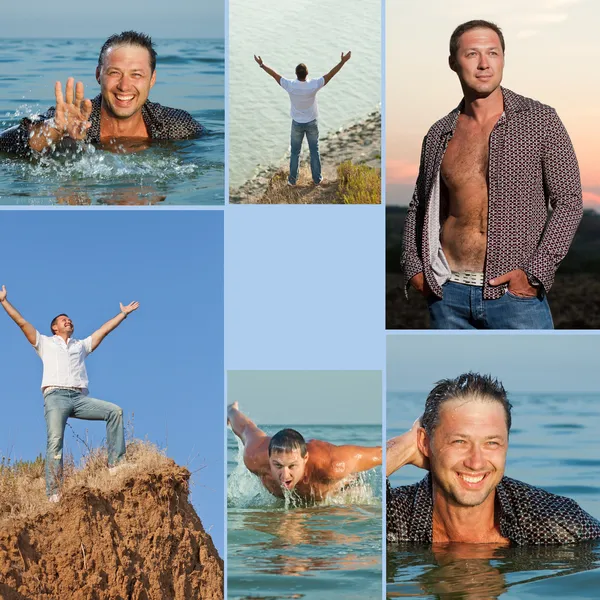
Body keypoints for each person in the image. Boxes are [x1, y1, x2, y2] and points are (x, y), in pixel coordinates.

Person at [401, 20, 583, 329]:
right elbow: (419, 205)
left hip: (515, 296)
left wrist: (536, 273)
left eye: (493, 53)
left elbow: (569, 201)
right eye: (472, 54)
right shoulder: (439, 133)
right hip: (447, 294)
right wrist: (414, 268)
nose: (484, 64)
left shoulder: (540, 121)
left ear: (503, 57)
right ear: (453, 62)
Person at [386, 373, 600, 545]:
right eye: (459, 442)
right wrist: (402, 449)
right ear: (425, 443)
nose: (476, 462)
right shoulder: (396, 515)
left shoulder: (557, 523)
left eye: (492, 443)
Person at [0, 285, 139, 501]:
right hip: (55, 398)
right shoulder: (44, 343)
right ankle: (54, 493)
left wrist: (122, 314)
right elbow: (21, 322)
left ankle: (116, 464)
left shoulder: (80, 346)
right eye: (64, 319)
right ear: (55, 327)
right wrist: (4, 302)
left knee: (115, 411)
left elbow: (103, 331)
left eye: (70, 319)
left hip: (79, 398)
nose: (69, 321)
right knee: (55, 440)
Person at [0, 31, 203, 156]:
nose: (124, 86)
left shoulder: (175, 124)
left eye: (136, 75)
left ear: (152, 79)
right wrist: (55, 130)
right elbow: (5, 144)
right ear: (99, 75)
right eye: (115, 73)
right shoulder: (73, 117)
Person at [227, 402, 381, 500]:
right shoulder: (254, 456)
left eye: (292, 466)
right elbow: (245, 427)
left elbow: (381, 454)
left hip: (338, 492)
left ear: (305, 459)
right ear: (269, 458)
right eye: (278, 466)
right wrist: (231, 410)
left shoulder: (333, 465)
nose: (285, 475)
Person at [254, 52, 351, 186]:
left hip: (297, 124)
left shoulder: (290, 85)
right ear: (307, 73)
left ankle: (292, 181)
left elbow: (275, 75)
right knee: (314, 151)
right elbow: (330, 74)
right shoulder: (313, 85)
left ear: (296, 73)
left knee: (295, 153)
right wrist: (342, 62)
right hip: (312, 123)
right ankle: (317, 180)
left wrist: (261, 64)